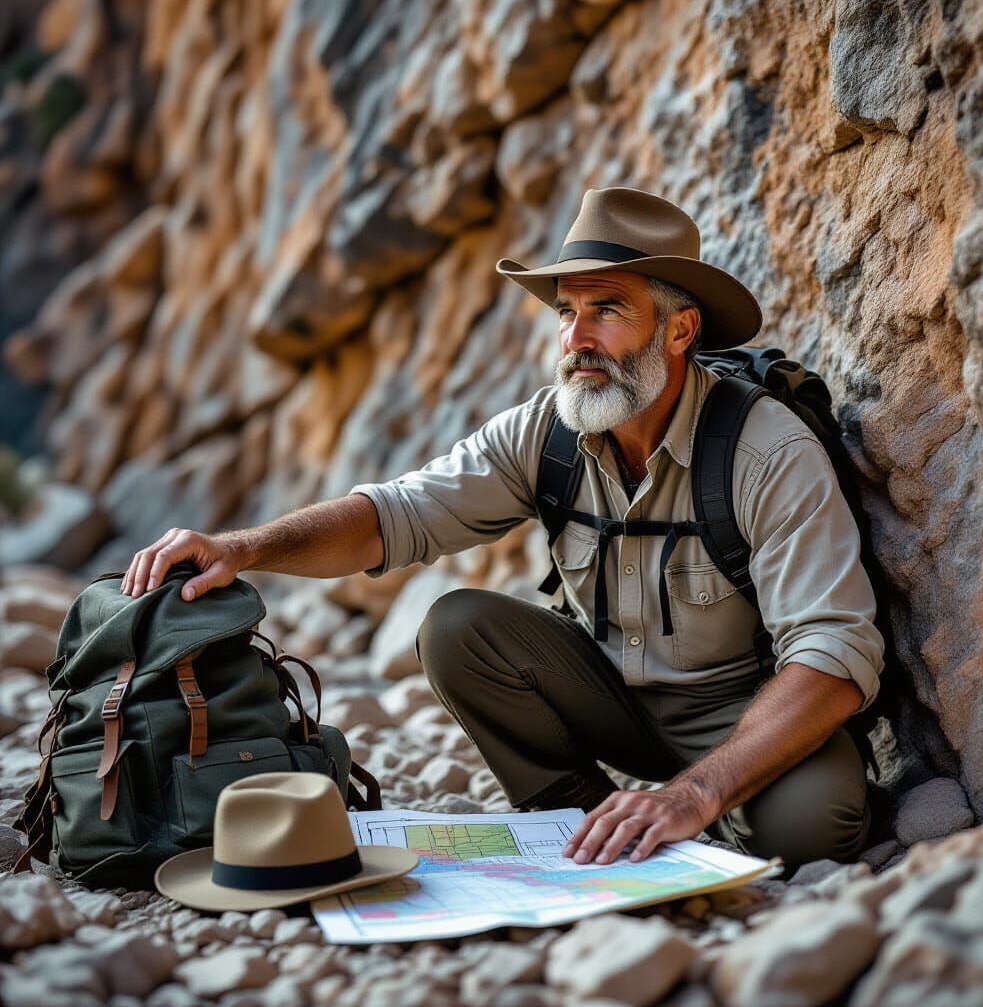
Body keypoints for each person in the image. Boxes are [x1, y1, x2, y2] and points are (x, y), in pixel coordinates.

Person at [123, 187, 883, 871]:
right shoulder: (544, 432)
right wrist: (244, 548)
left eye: (607, 310)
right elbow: (392, 516)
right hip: (610, 701)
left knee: (817, 826)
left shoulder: (766, 450)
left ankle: (677, 816)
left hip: (739, 712)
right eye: (566, 312)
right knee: (457, 627)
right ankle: (586, 823)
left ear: (680, 330)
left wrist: (697, 792)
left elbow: (833, 654)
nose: (576, 338)